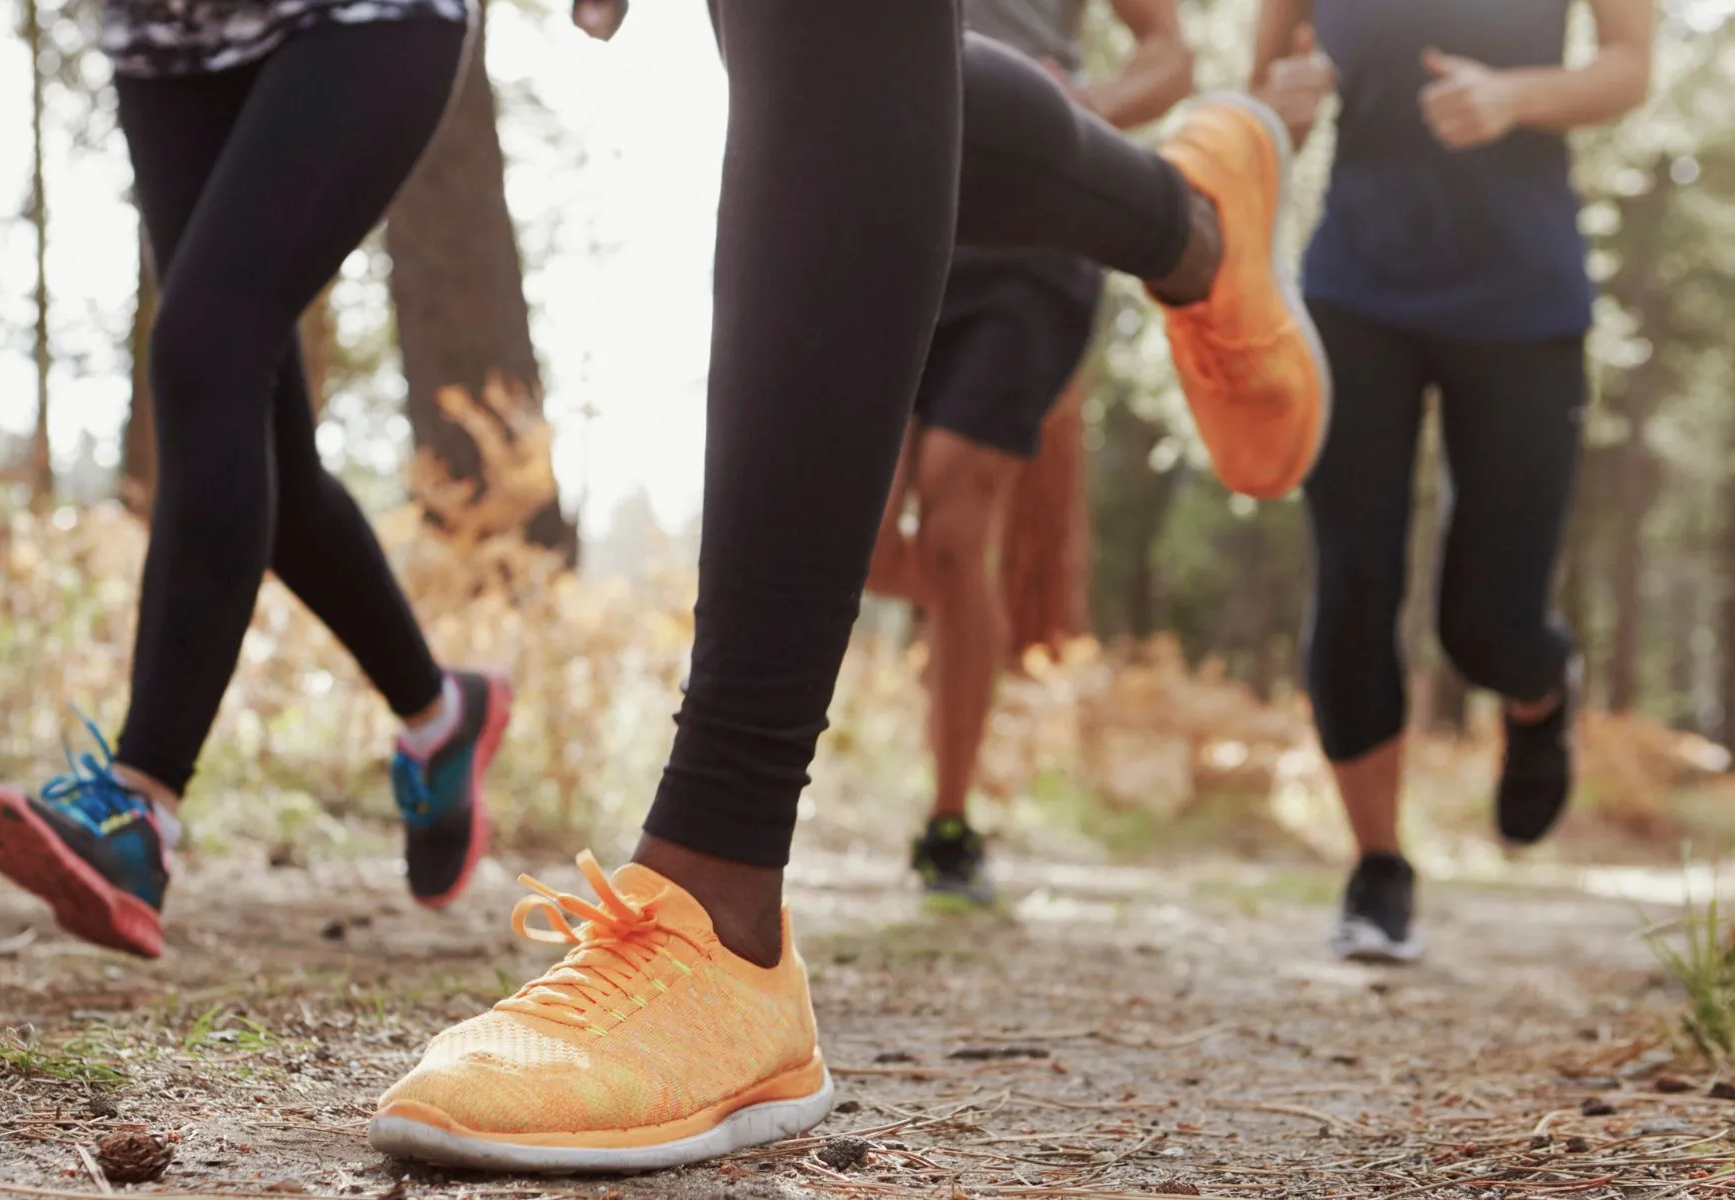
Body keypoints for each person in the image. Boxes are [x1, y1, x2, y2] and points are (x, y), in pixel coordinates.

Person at [363, 0, 1333, 1171]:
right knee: (834, 61)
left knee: (835, 37)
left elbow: (1155, 45)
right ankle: (1194, 223)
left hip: (1022, 283)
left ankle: (719, 897)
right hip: (924, 208)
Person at [0, 0, 513, 959]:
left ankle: (140, 808)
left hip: (359, 18)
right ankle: (441, 713)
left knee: (204, 346)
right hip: (168, 41)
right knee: (271, 464)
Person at [1250, 0, 1653, 964]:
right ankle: (1377, 867)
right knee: (1355, 576)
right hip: (1355, 289)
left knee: (1486, 626)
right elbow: (1261, 92)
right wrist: (1279, 106)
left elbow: (1631, 64)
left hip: (1525, 298)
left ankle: (1538, 688)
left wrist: (1516, 96)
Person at [863, 0, 1196, 911]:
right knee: (854, 535)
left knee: (955, 530)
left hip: (1034, 231)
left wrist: (1081, 112)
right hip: (890, 198)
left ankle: (948, 819)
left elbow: (1171, 52)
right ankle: (961, 635)